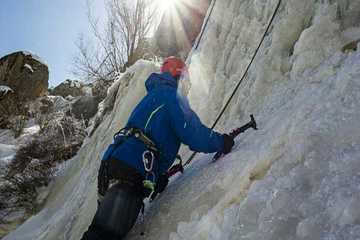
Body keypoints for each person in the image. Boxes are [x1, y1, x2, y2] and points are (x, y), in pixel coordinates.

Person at [81, 56, 234, 240]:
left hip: (113, 166)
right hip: (130, 173)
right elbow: (192, 133)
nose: (187, 85)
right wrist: (221, 142)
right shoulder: (171, 97)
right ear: (178, 76)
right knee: (102, 236)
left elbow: (150, 135)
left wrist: (157, 175)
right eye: (185, 79)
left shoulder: (152, 96)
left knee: (102, 232)